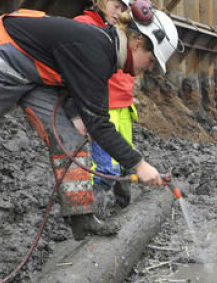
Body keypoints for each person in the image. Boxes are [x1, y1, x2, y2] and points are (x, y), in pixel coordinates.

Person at [0, 5, 178, 240]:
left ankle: (82, 218)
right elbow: (99, 123)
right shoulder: (97, 51)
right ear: (137, 43)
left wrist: (75, 117)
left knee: (70, 139)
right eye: (151, 61)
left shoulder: (104, 52)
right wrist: (139, 164)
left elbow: (73, 81)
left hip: (32, 71)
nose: (149, 68)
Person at [75, 0, 139, 215]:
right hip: (102, 108)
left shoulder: (126, 31)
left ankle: (123, 209)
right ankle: (94, 216)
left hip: (124, 106)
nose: (119, 12)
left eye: (123, 8)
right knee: (104, 169)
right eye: (116, 5)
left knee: (126, 162)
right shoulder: (84, 25)